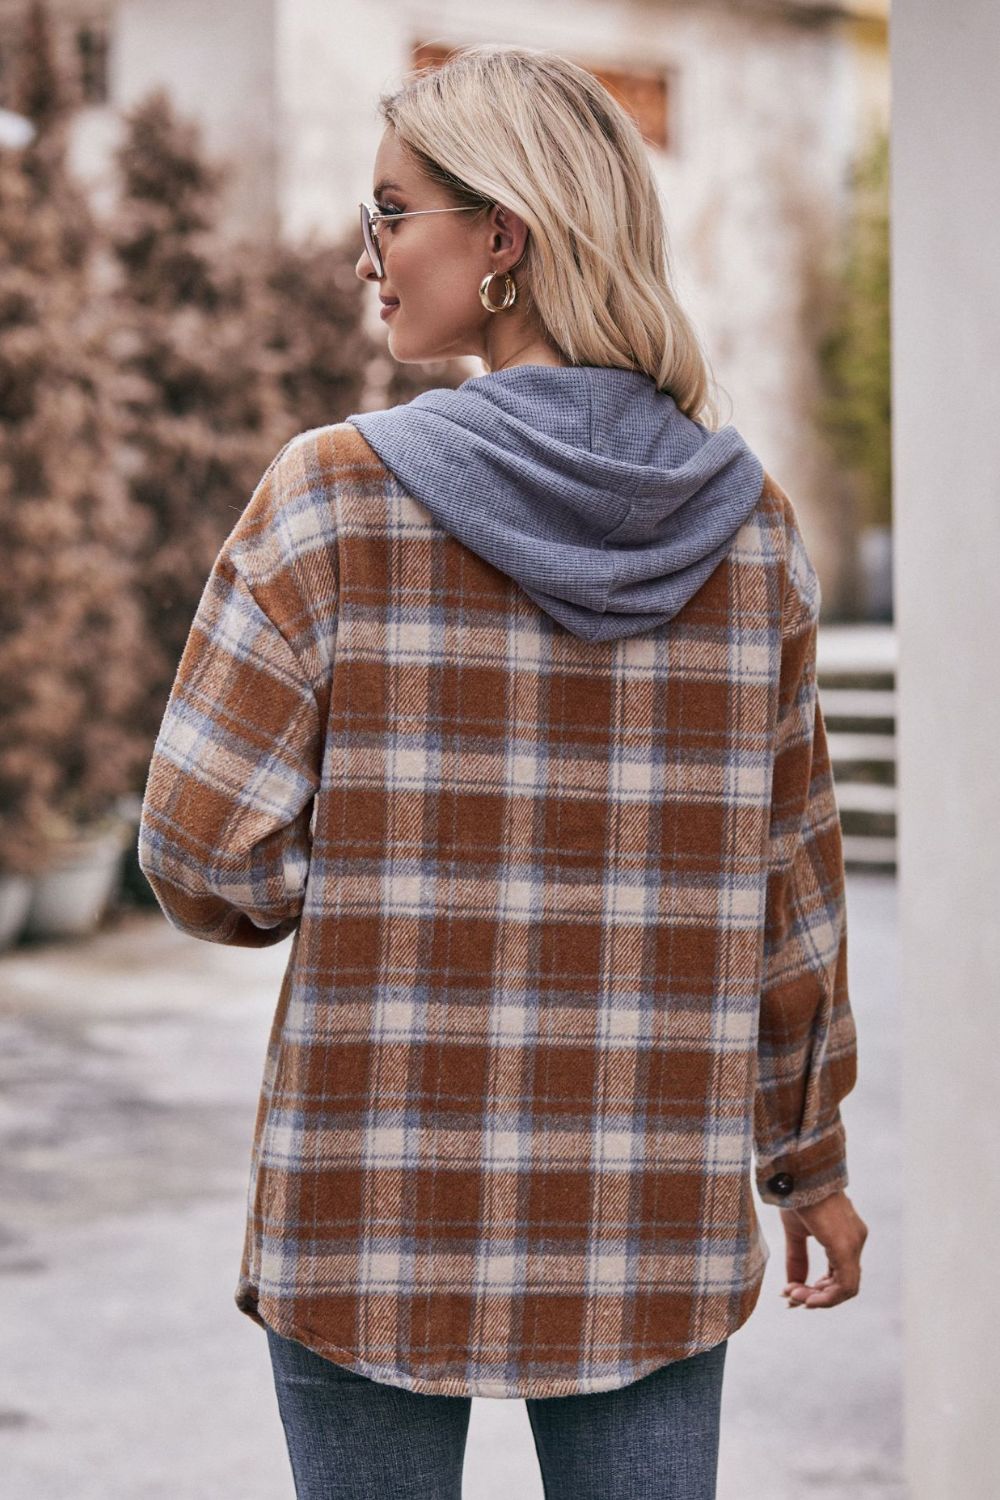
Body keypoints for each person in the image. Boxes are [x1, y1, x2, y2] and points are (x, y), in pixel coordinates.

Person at [137, 42, 867, 1500]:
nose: (367, 255)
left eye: (390, 212)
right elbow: (793, 888)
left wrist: (374, 885)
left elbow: (201, 850)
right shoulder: (754, 531)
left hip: (368, 1207)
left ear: (505, 239)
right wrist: (809, 1165)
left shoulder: (331, 499)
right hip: (646, 1224)